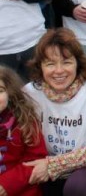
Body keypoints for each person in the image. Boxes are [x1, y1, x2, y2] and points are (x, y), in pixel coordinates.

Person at [23, 28, 86, 196]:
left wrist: (53, 165)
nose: (59, 71)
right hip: (47, 168)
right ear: (40, 66)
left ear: (78, 63)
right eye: (50, 63)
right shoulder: (30, 94)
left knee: (79, 187)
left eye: (66, 62)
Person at [0, 66, 47, 196]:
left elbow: (36, 160)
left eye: (0, 90)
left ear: (10, 92)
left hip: (21, 189)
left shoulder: (26, 121)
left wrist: (7, 183)